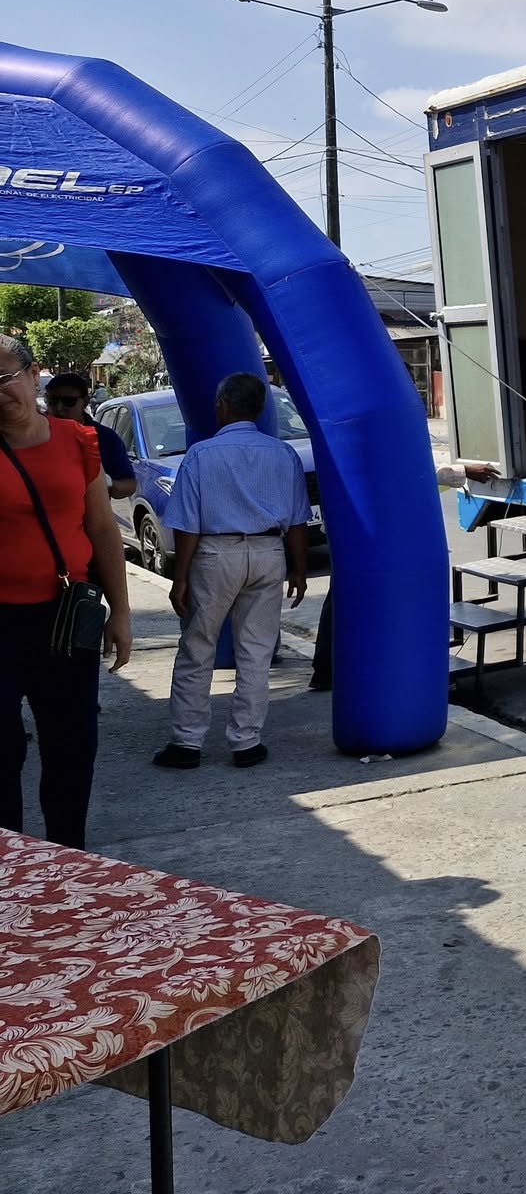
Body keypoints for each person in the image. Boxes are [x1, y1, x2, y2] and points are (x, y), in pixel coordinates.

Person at [0, 334, 132, 846]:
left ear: (34, 376)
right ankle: (12, 867)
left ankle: (67, 857)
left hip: (66, 616)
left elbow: (102, 530)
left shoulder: (76, 441)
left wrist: (121, 613)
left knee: (71, 747)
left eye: (4, 378)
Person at [156, 373, 309, 770]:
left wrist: (181, 577)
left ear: (223, 405)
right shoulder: (284, 454)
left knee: (198, 647)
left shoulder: (201, 455)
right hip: (269, 552)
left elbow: (187, 524)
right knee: (256, 651)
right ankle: (246, 742)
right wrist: (298, 569)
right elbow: (297, 520)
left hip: (216, 554)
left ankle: (187, 743)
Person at [43, 372, 137, 499]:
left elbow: (129, 485)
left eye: (68, 402)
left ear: (85, 402)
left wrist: (105, 483)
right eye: (53, 401)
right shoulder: (34, 435)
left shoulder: (105, 438)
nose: (59, 408)